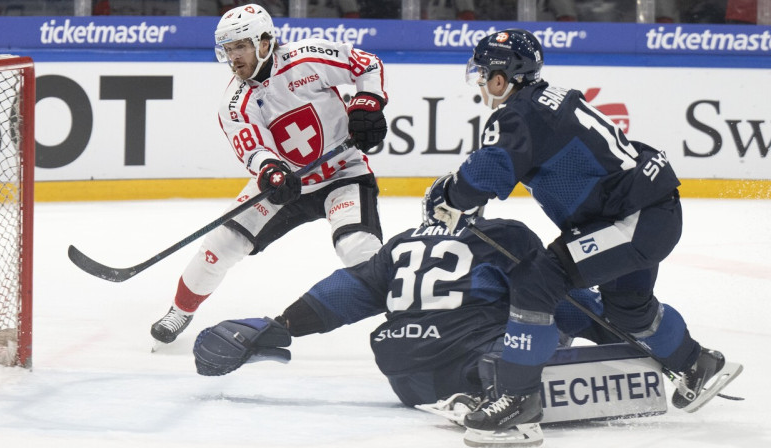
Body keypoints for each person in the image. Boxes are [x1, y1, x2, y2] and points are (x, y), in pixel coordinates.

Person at [422, 28, 742, 443]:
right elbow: (507, 164)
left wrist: (451, 193)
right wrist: (468, 192)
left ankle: (519, 401)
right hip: (646, 210)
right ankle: (697, 362)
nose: (481, 82)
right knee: (629, 309)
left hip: (634, 220)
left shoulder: (517, 114)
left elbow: (491, 169)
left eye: (484, 73)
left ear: (501, 76)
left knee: (536, 279)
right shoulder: (542, 101)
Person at [191, 212, 621, 440]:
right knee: (539, 323)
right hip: (475, 365)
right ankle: (501, 382)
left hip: (406, 380)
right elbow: (562, 300)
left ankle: (484, 374)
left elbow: (344, 294)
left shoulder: (402, 244)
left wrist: (277, 325)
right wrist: (625, 333)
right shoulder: (502, 235)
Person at [150, 4, 389, 346]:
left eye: (240, 47)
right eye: (228, 49)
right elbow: (254, 148)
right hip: (289, 183)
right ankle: (180, 310)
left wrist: (368, 101)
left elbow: (366, 64)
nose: (234, 57)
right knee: (222, 244)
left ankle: (408, 315)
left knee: (359, 251)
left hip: (343, 174)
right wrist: (270, 170)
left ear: (264, 42)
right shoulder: (234, 102)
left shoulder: (307, 55)